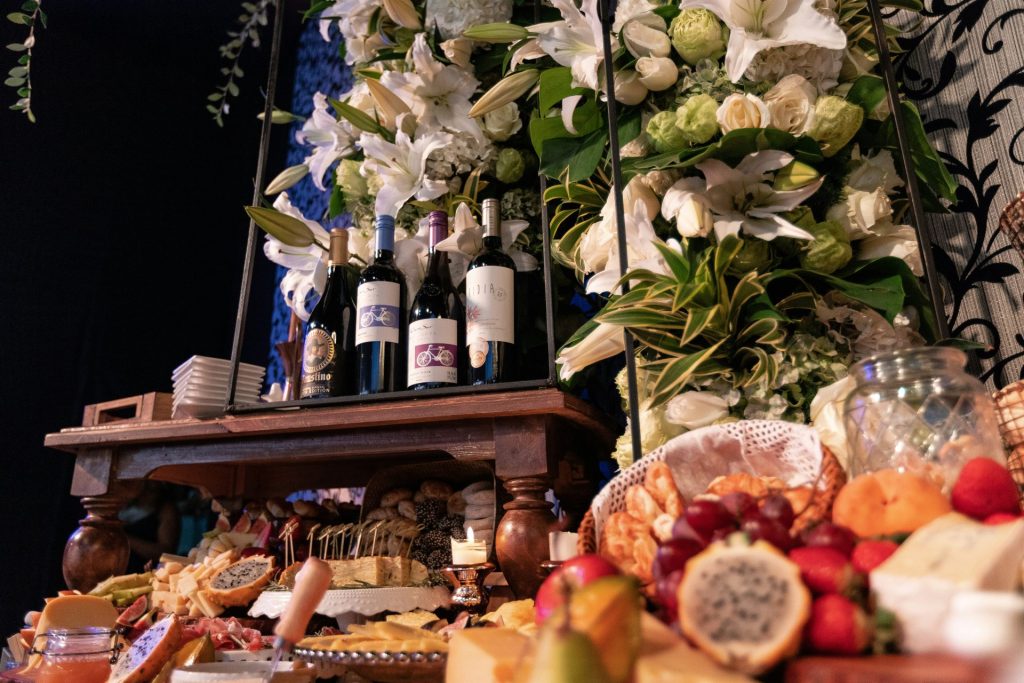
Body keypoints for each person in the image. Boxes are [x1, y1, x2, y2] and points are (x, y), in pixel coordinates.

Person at [120, 481, 181, 571]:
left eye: (153, 489)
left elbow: (165, 553)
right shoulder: (125, 505)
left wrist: (125, 538)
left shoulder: (166, 510)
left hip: (145, 571)